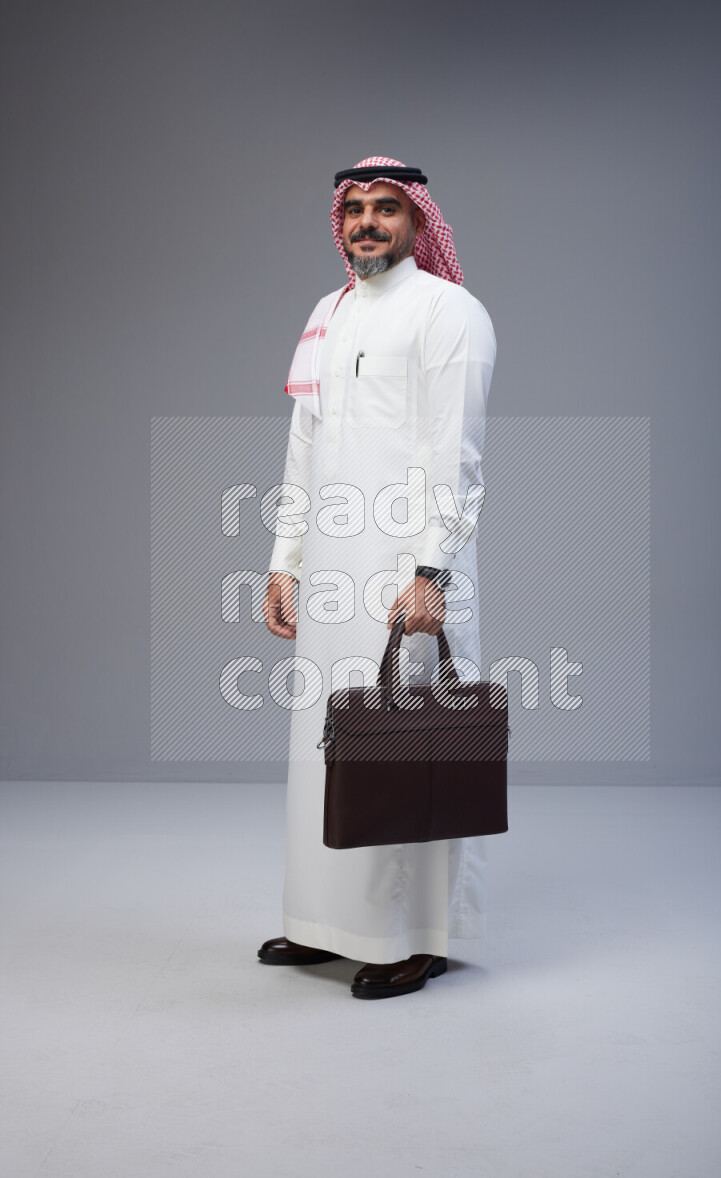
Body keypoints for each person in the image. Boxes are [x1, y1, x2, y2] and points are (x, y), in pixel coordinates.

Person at [258, 156, 496, 999]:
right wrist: (285, 562)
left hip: (408, 569)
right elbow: (303, 447)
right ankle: (325, 924)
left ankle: (411, 937)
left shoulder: (449, 312)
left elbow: (458, 458)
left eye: (385, 208)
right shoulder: (328, 313)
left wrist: (433, 572)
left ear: (418, 220)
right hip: (330, 567)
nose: (366, 222)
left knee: (406, 743)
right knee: (329, 743)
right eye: (354, 208)